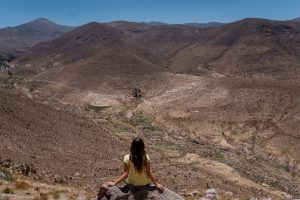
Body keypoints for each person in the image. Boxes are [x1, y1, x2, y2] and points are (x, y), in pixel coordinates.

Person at [97, 137, 164, 200]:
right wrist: (156, 184)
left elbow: (126, 174)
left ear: (132, 147)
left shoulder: (127, 157)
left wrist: (114, 183)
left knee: (123, 186)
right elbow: (149, 173)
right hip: (145, 184)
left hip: (132, 184)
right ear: (142, 147)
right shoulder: (146, 157)